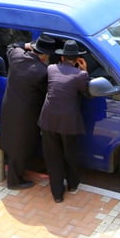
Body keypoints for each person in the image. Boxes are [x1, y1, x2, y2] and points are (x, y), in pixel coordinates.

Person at [0, 35, 55, 189]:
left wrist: (26, 45)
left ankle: (12, 173)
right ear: (44, 55)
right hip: (26, 115)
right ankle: (14, 181)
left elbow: (11, 46)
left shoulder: (17, 57)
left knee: (12, 141)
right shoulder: (43, 71)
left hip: (9, 108)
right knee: (22, 145)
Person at [39, 39, 90, 203]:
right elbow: (86, 92)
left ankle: (57, 194)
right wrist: (85, 70)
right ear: (77, 59)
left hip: (48, 119)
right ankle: (73, 185)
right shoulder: (81, 75)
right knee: (70, 154)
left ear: (62, 57)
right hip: (68, 122)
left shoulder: (51, 68)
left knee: (52, 157)